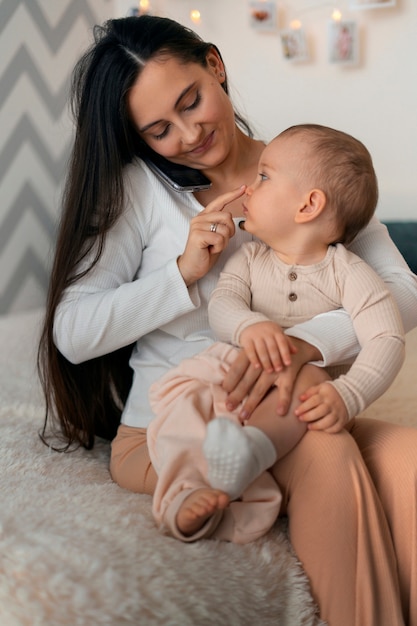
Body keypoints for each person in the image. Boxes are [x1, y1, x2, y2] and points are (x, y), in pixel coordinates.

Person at [36, 15, 417, 626]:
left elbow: (402, 291)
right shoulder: (139, 193)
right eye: (159, 129)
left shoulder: (308, 171)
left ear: (215, 65)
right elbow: (72, 333)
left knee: (409, 466)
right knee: (323, 447)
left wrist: (303, 345)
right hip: (174, 431)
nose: (189, 134)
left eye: (192, 102)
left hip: (289, 407)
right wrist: (181, 274)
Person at [147, 123, 406, 542]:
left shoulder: (349, 273)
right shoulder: (248, 259)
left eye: (264, 177)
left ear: (308, 206)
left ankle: (246, 457)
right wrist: (251, 326)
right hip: (233, 379)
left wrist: (350, 393)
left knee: (305, 383)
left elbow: (387, 338)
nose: (249, 186)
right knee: (185, 415)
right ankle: (186, 498)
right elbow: (224, 306)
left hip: (293, 395)